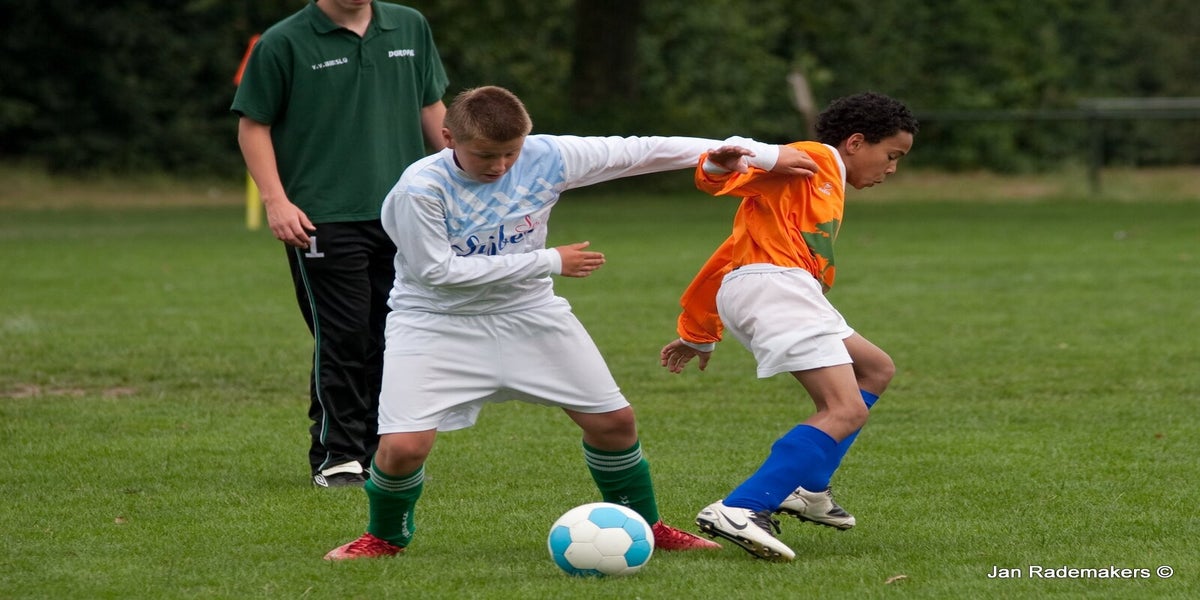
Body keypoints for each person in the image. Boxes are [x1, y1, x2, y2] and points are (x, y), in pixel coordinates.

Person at [324, 85, 820, 560]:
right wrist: (549, 261)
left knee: (614, 423)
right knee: (404, 448)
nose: (501, 166)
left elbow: (641, 150)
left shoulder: (547, 156)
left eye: (511, 153)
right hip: (434, 321)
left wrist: (762, 154)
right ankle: (384, 537)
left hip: (529, 313)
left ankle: (646, 525)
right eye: (486, 156)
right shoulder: (420, 189)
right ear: (448, 138)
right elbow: (438, 273)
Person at [659, 92, 919, 561]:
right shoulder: (815, 159)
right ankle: (742, 506)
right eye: (891, 155)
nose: (892, 168)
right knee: (845, 409)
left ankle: (809, 489)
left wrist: (699, 331)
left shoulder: (815, 187)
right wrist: (720, 162)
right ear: (856, 142)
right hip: (777, 288)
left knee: (876, 369)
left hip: (773, 287)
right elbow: (723, 175)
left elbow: (727, 257)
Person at [231, 0, 449, 487]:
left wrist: (468, 179)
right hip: (322, 217)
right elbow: (253, 125)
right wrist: (275, 201)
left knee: (396, 336)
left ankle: (384, 452)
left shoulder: (410, 26)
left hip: (405, 213)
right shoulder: (283, 42)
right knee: (344, 336)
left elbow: (431, 109)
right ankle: (339, 455)